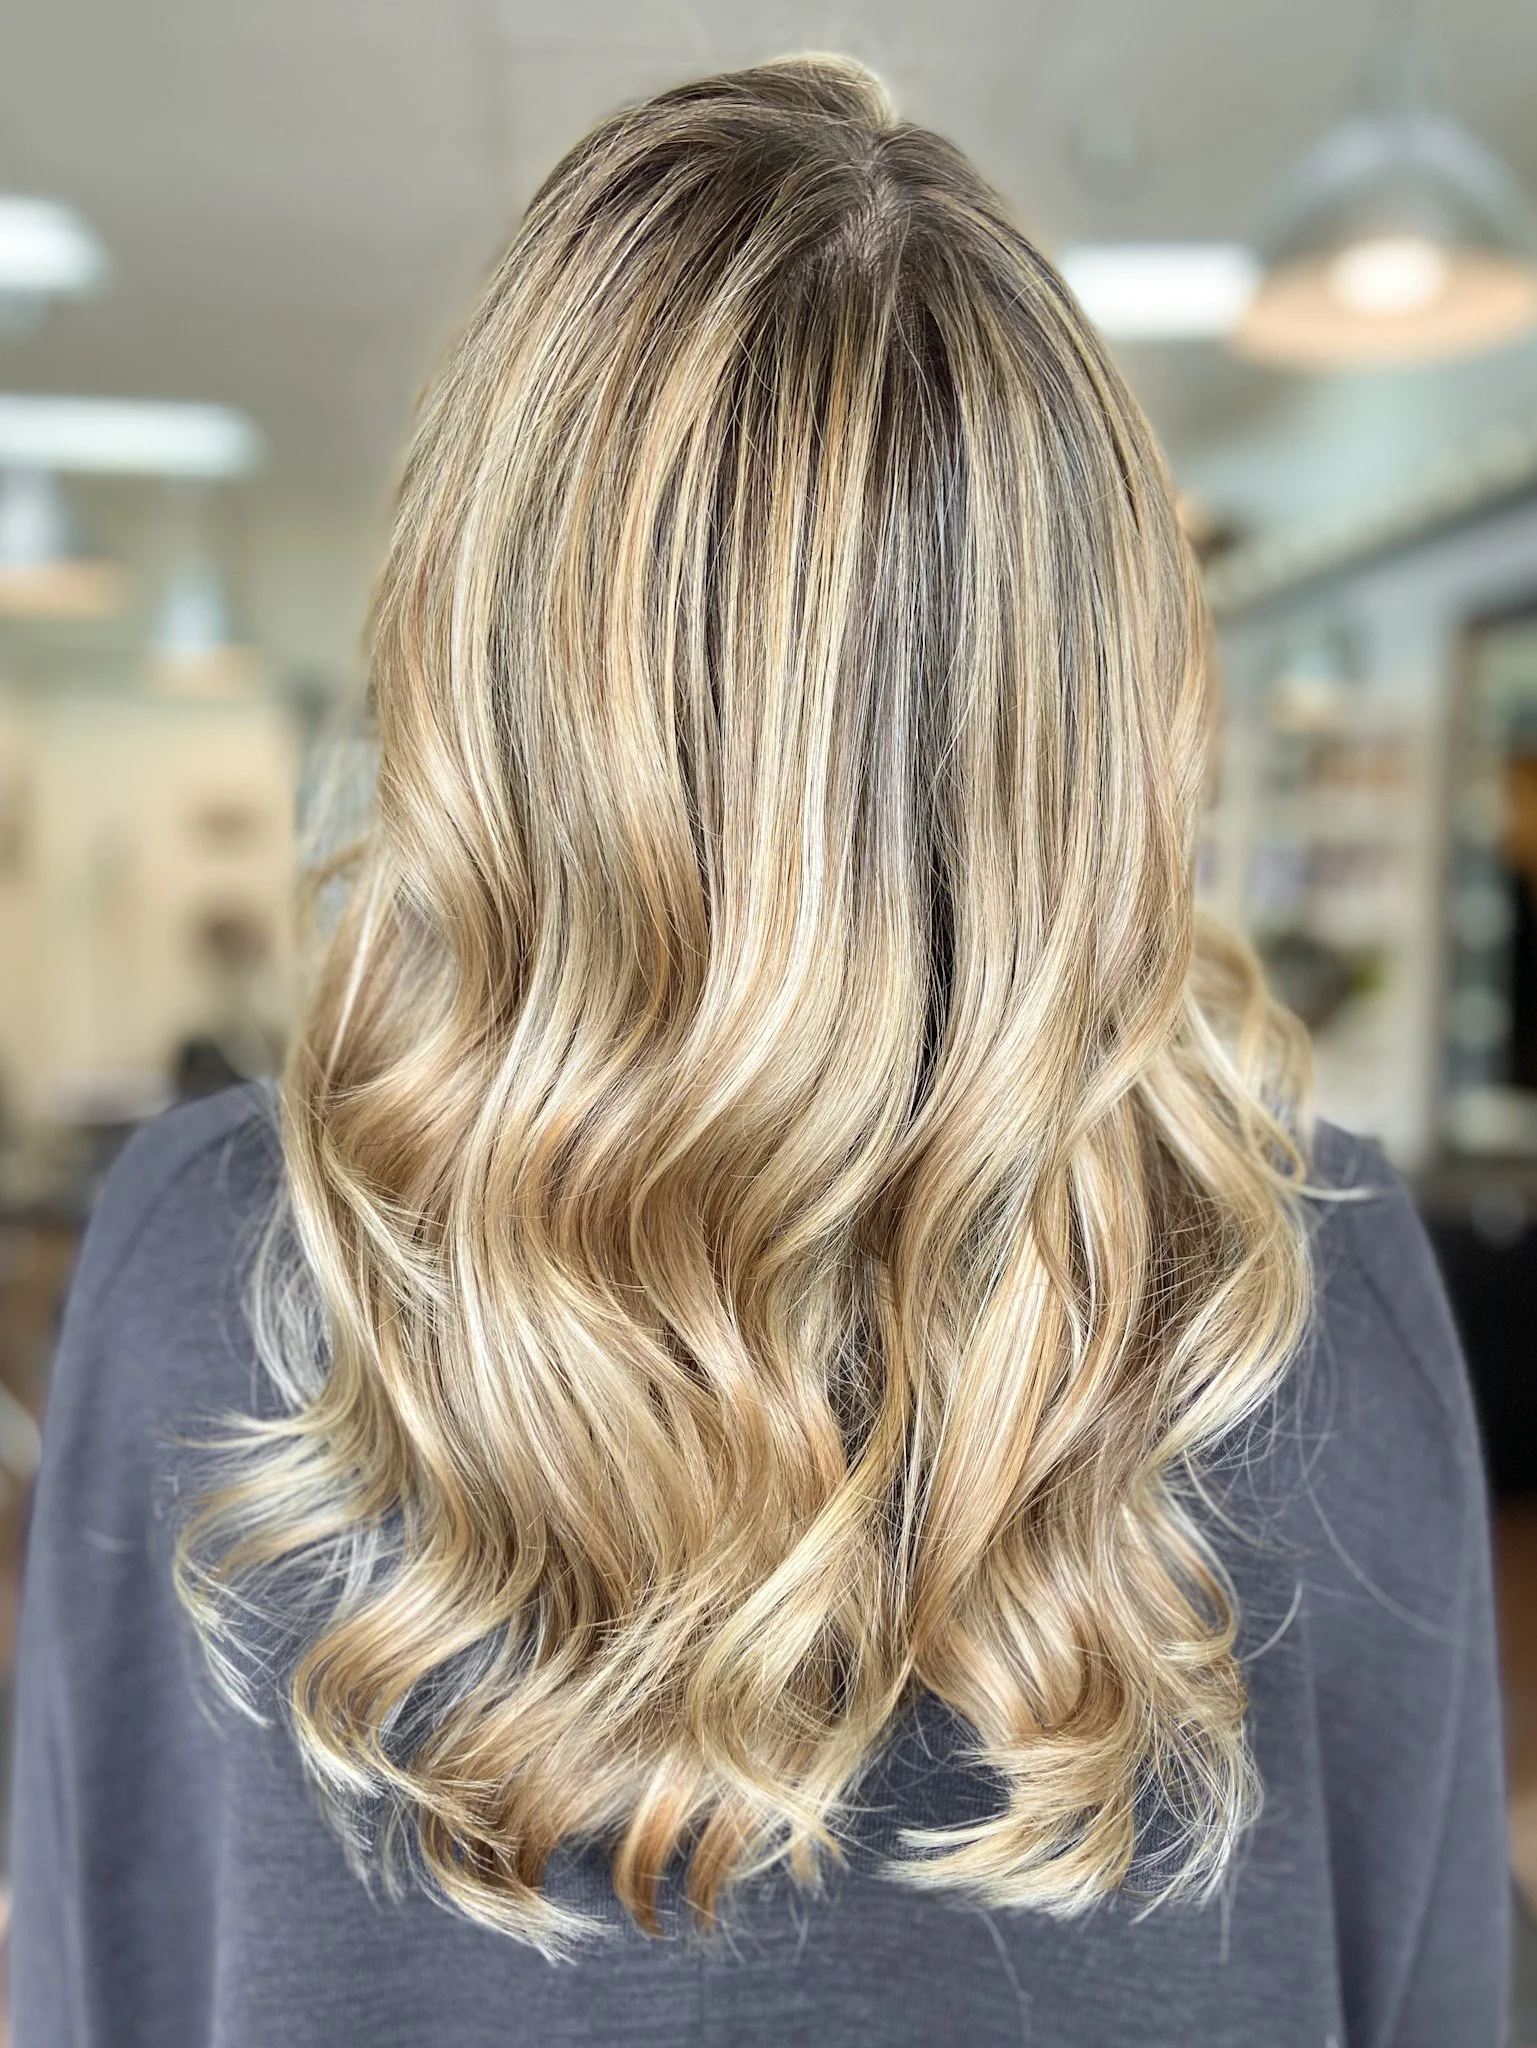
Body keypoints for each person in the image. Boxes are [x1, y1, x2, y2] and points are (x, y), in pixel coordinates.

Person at [9, 57, 1508, 2048]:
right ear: (1099, 720)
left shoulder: (210, 1267)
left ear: (483, 664)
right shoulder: (1302, 1287)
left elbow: (93, 1975)